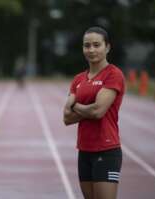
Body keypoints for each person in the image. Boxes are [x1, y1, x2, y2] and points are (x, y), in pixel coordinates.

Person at [63, 26, 125, 199]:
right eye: (87, 45)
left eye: (96, 45)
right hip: (84, 150)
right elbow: (66, 118)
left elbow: (98, 111)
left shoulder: (114, 75)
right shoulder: (78, 79)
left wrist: (77, 106)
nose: (91, 50)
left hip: (106, 150)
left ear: (107, 47)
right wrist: (86, 108)